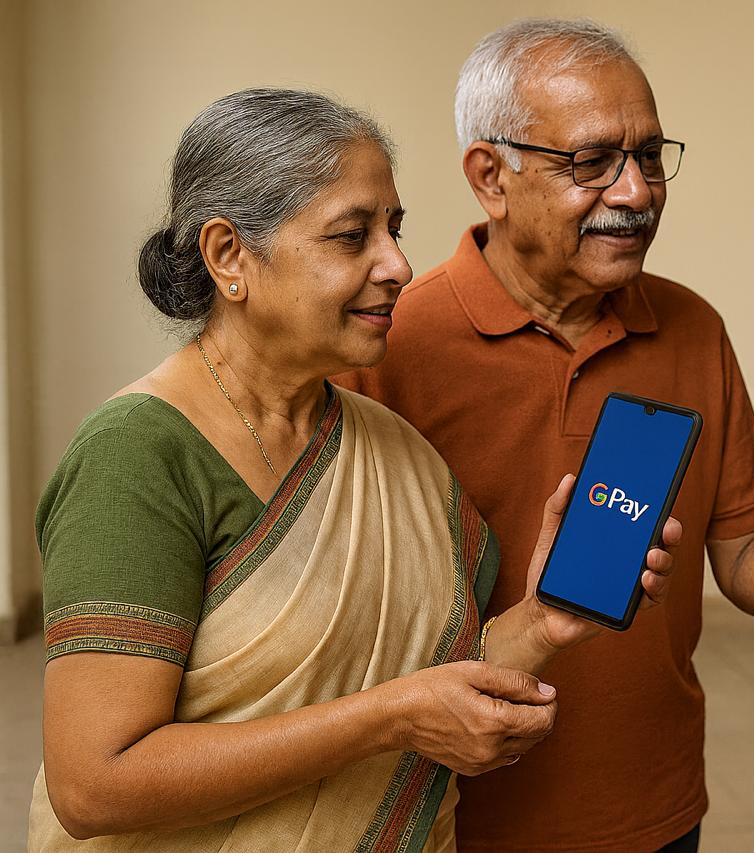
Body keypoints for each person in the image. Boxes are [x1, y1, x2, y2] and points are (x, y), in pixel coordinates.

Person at [335, 18, 754, 853]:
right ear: (490, 176)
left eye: (649, 156)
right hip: (451, 825)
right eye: (591, 162)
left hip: (656, 814)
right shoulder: (387, 344)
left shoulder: (691, 328)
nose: (635, 191)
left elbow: (750, 562)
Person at [30, 87, 679, 852]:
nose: (398, 264)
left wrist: (540, 622)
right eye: (352, 236)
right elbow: (94, 783)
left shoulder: (393, 449)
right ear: (229, 255)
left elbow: (439, 682)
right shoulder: (138, 454)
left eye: (395, 229)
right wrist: (390, 718)